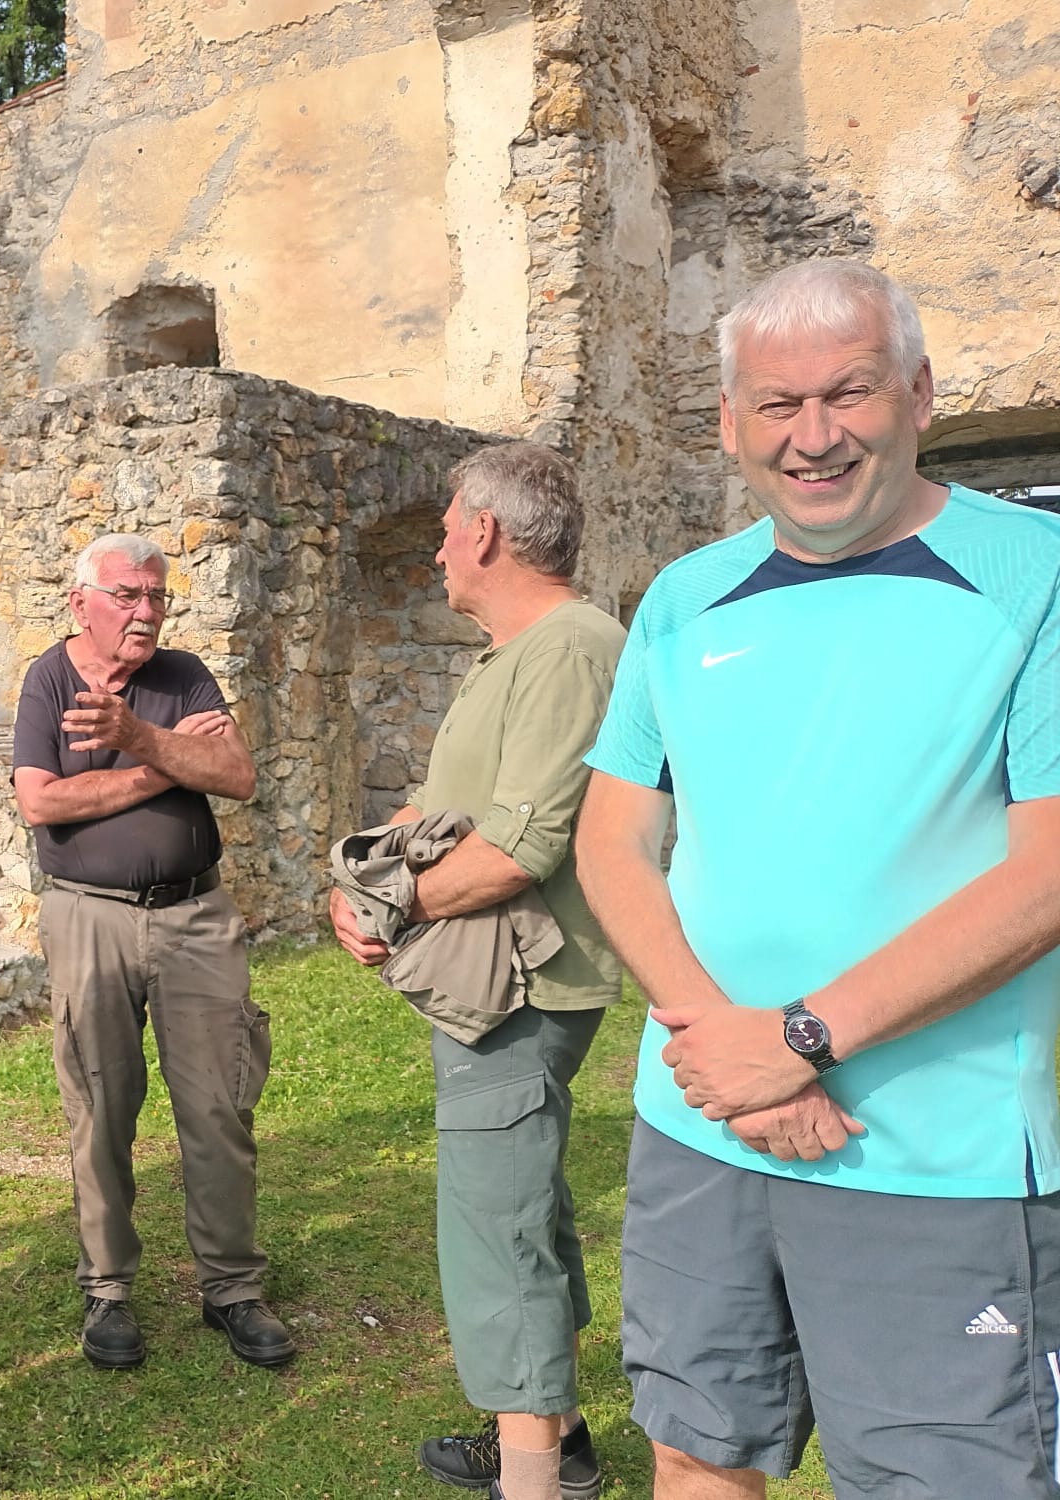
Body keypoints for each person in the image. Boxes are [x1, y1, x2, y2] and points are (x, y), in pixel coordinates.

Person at [575, 259, 1060, 1499]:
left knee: (945, 1477)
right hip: (699, 1125)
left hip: (927, 1151)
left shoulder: (1036, 574)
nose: (813, 437)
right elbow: (611, 841)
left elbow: (1046, 874)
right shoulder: (683, 600)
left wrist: (800, 1038)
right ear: (728, 423)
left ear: (917, 394)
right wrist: (722, 1052)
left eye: (845, 394)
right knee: (693, 1448)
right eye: (775, 405)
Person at [330, 443, 621, 1500]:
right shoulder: (515, 652)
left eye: (448, 525)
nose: (439, 547)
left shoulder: (571, 648)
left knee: (493, 1236)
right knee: (520, 1211)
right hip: (496, 985)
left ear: (487, 532)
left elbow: (518, 847)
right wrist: (355, 889)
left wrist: (390, 902)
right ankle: (558, 1437)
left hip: (524, 989)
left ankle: (532, 1482)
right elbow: (432, 813)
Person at [11, 532, 294, 1371]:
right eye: (127, 596)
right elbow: (44, 803)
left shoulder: (183, 674)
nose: (146, 612)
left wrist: (135, 735)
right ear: (81, 603)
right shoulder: (49, 680)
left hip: (195, 915)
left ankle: (233, 1288)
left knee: (218, 1104)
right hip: (88, 917)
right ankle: (107, 1290)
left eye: (157, 597)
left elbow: (237, 774)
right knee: (100, 1106)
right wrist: (167, 759)